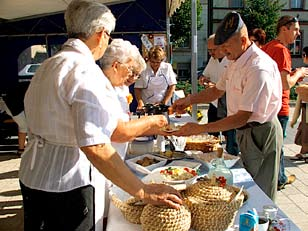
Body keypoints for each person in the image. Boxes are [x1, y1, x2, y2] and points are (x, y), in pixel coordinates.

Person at [19, 1, 182, 230]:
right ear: (101, 34)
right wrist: (142, 190)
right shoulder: (85, 71)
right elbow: (96, 146)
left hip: (32, 175)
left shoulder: (47, 66)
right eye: (108, 36)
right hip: (67, 184)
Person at [171, 11, 283, 201]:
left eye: (226, 46)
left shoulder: (258, 68)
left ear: (243, 39)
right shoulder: (235, 59)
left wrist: (200, 128)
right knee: (247, 186)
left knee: (261, 192)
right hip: (246, 131)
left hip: (261, 132)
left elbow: (242, 116)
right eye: (220, 47)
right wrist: (188, 100)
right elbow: (216, 91)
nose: (222, 52)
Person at [262, 15, 308, 190]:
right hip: (279, 107)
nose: (297, 33)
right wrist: (299, 74)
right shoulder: (282, 50)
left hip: (267, 105)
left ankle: (274, 178)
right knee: (278, 148)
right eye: (295, 29)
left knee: (271, 148)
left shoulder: (268, 47)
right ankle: (279, 179)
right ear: (284, 29)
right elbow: (284, 84)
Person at [198, 34, 239, 155]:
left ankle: (232, 159)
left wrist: (216, 87)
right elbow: (206, 74)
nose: (211, 53)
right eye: (209, 50)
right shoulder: (213, 59)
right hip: (214, 103)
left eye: (213, 49)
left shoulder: (232, 59)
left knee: (231, 137)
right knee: (212, 137)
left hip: (229, 105)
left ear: (223, 47)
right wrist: (203, 79)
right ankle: (211, 158)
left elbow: (235, 84)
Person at [290, 46, 308, 161]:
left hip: (307, 104)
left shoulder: (306, 71)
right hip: (305, 104)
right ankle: (304, 151)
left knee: (306, 128)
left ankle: (305, 152)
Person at [2, 81, 28, 155]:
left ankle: (23, 145)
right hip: (13, 105)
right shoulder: (34, 87)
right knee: (24, 126)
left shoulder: (32, 84)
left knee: (23, 124)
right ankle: (21, 150)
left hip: (9, 102)